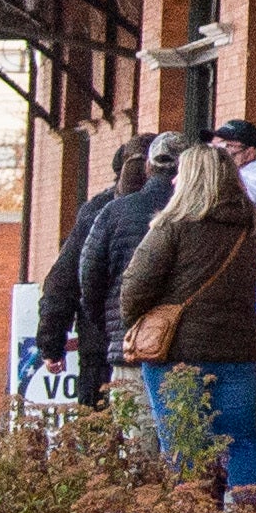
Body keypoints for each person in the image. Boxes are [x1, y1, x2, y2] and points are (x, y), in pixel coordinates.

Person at [115, 135, 256, 490]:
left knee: (184, 443)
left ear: (191, 178)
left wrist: (138, 320)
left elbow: (134, 288)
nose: (172, 180)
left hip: (178, 355)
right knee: (242, 440)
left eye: (179, 173)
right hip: (241, 351)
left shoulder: (173, 227)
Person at [32, 137, 145, 403]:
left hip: (101, 345)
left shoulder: (98, 210)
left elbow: (63, 280)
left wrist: (51, 343)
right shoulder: (178, 206)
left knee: (101, 429)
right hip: (159, 344)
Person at [80, 130, 185, 389]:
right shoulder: (198, 212)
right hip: (186, 351)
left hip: (131, 346)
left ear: (148, 167)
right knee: (186, 428)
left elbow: (89, 277)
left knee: (135, 427)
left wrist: (110, 325)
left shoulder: (115, 211)